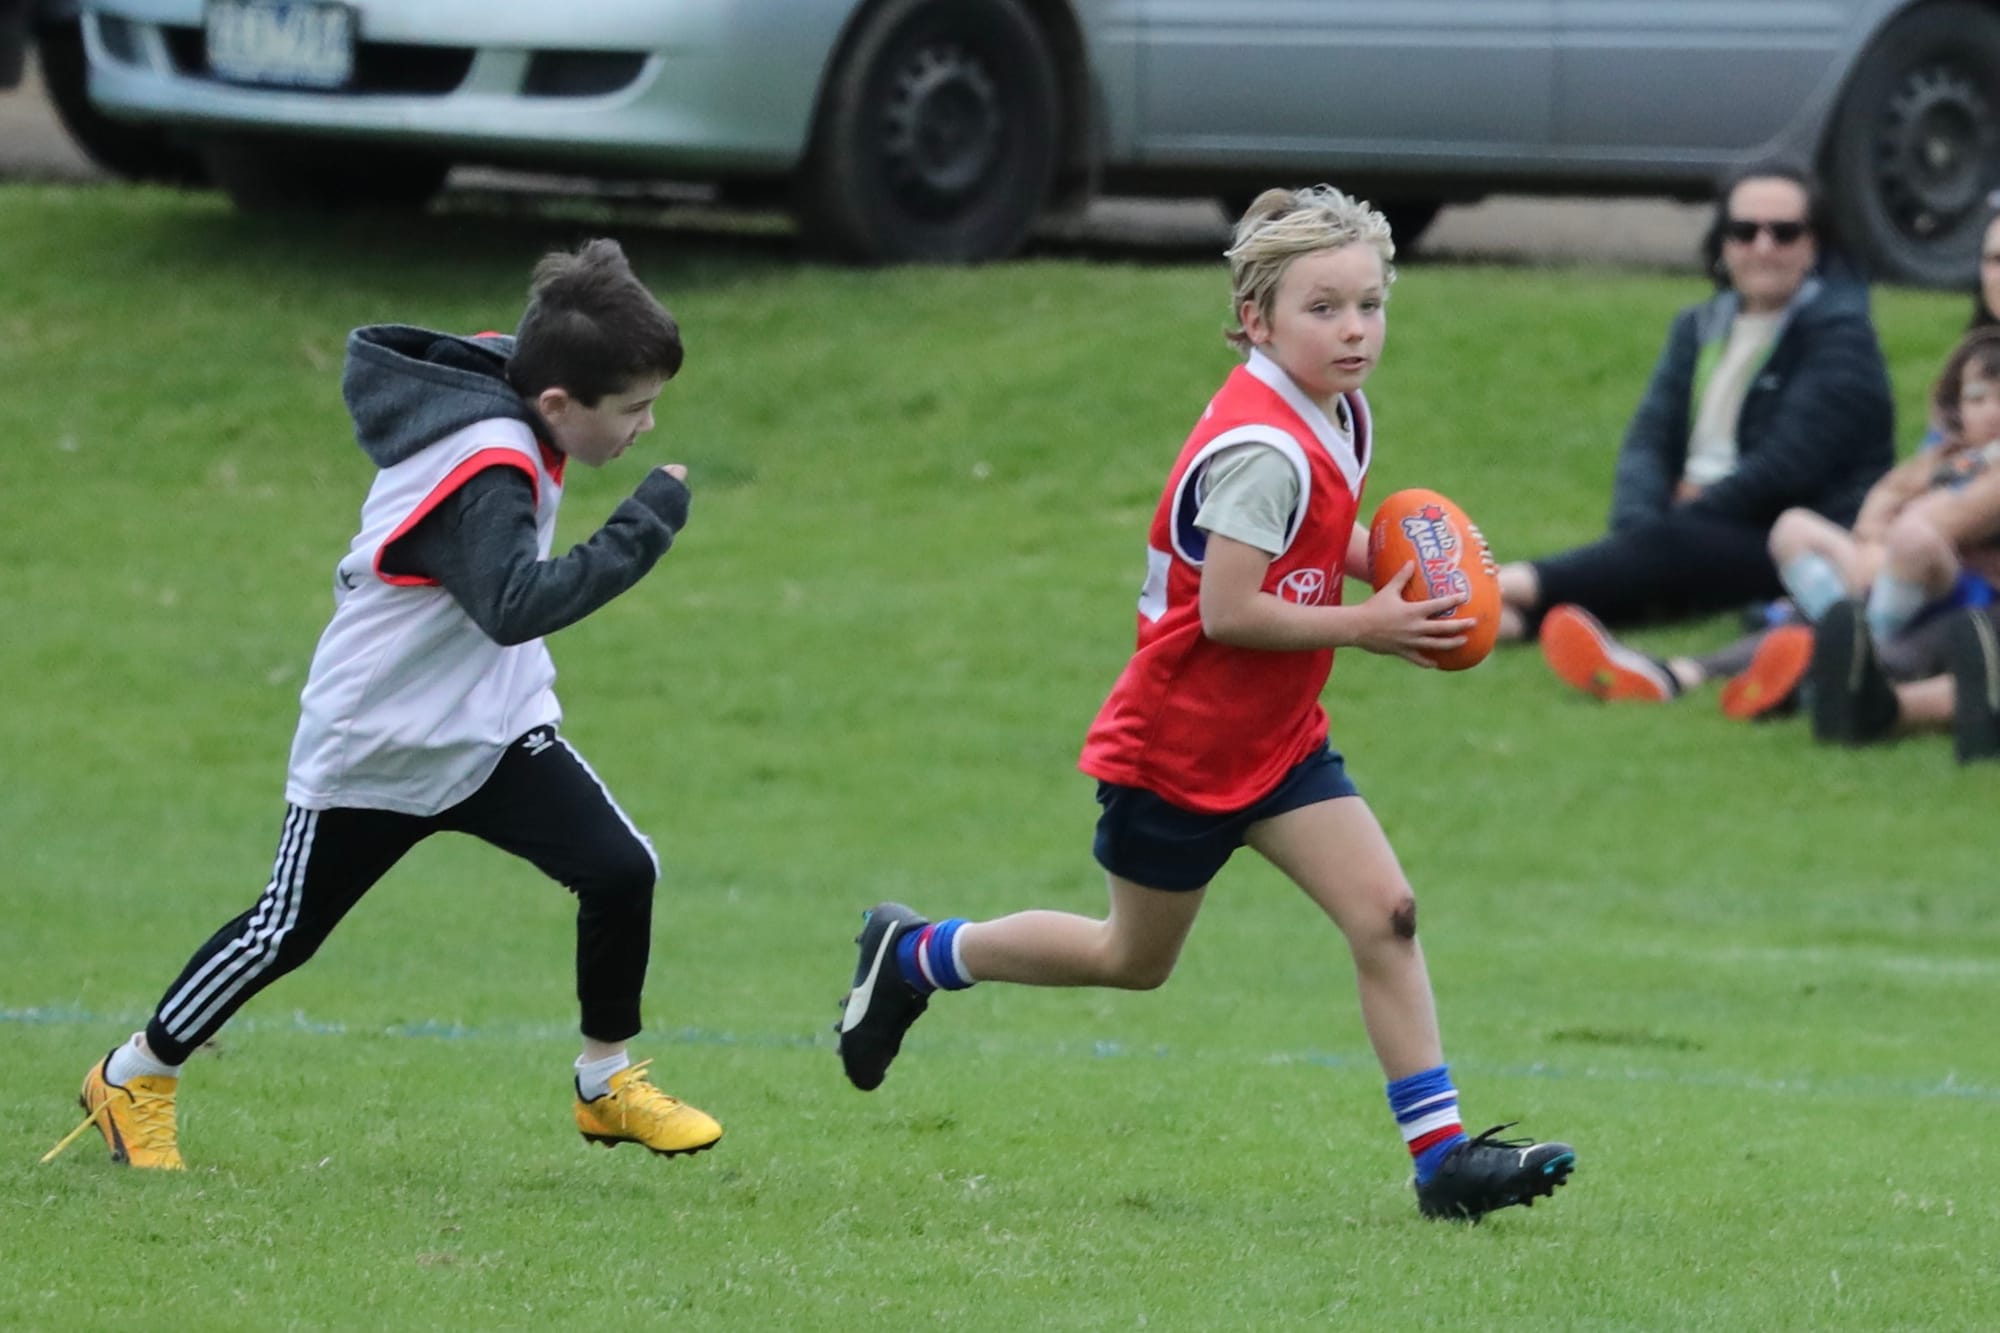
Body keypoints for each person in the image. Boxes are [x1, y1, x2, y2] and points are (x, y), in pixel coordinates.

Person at [834, 186, 1576, 1223]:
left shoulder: (1335, 410)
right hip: (1180, 748)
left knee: (1387, 914)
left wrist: (1411, 577)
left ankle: (1441, 1160)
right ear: (1257, 319)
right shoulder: (1260, 450)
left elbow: (1316, 537)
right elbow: (1229, 610)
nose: (1354, 330)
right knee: (1129, 960)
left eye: (1369, 305)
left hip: (1278, 740)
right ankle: (916, 955)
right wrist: (1370, 625)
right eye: (1324, 309)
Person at [42, 239, 722, 1171]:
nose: (646, 425)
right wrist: (645, 524)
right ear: (560, 405)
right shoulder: (489, 466)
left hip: (489, 731)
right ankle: (133, 1075)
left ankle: (605, 1084)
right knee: (282, 933)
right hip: (381, 740)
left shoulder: (522, 382)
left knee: (619, 869)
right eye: (634, 407)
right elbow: (514, 604)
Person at [1540, 261, 2000, 730]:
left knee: (1911, 605)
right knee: (1797, 550)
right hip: (1899, 571)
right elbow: (1894, 491)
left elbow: (1948, 519)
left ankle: (1848, 667)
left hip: (1958, 586)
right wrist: (1870, 539)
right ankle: (1674, 674)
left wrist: (1883, 546)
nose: (1988, 411)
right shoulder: (1951, 438)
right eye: (1977, 398)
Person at [1494, 161, 1895, 640]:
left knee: (1666, 554)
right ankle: (1501, 622)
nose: (1763, 247)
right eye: (1744, 231)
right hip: (1687, 531)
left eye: (1784, 233)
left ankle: (1497, 585)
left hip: (1779, 536)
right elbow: (1649, 438)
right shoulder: (1698, 326)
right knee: (1649, 567)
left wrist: (1676, 526)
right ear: (1723, 243)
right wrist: (1640, 529)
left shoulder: (1843, 337)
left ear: (1814, 245)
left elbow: (1787, 468)